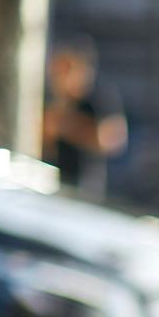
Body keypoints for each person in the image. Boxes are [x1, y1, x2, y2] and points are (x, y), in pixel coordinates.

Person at [40, 36, 128, 199]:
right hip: (51, 182)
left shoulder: (98, 98)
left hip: (84, 185)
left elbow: (112, 139)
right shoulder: (49, 98)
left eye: (67, 68)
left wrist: (66, 125)